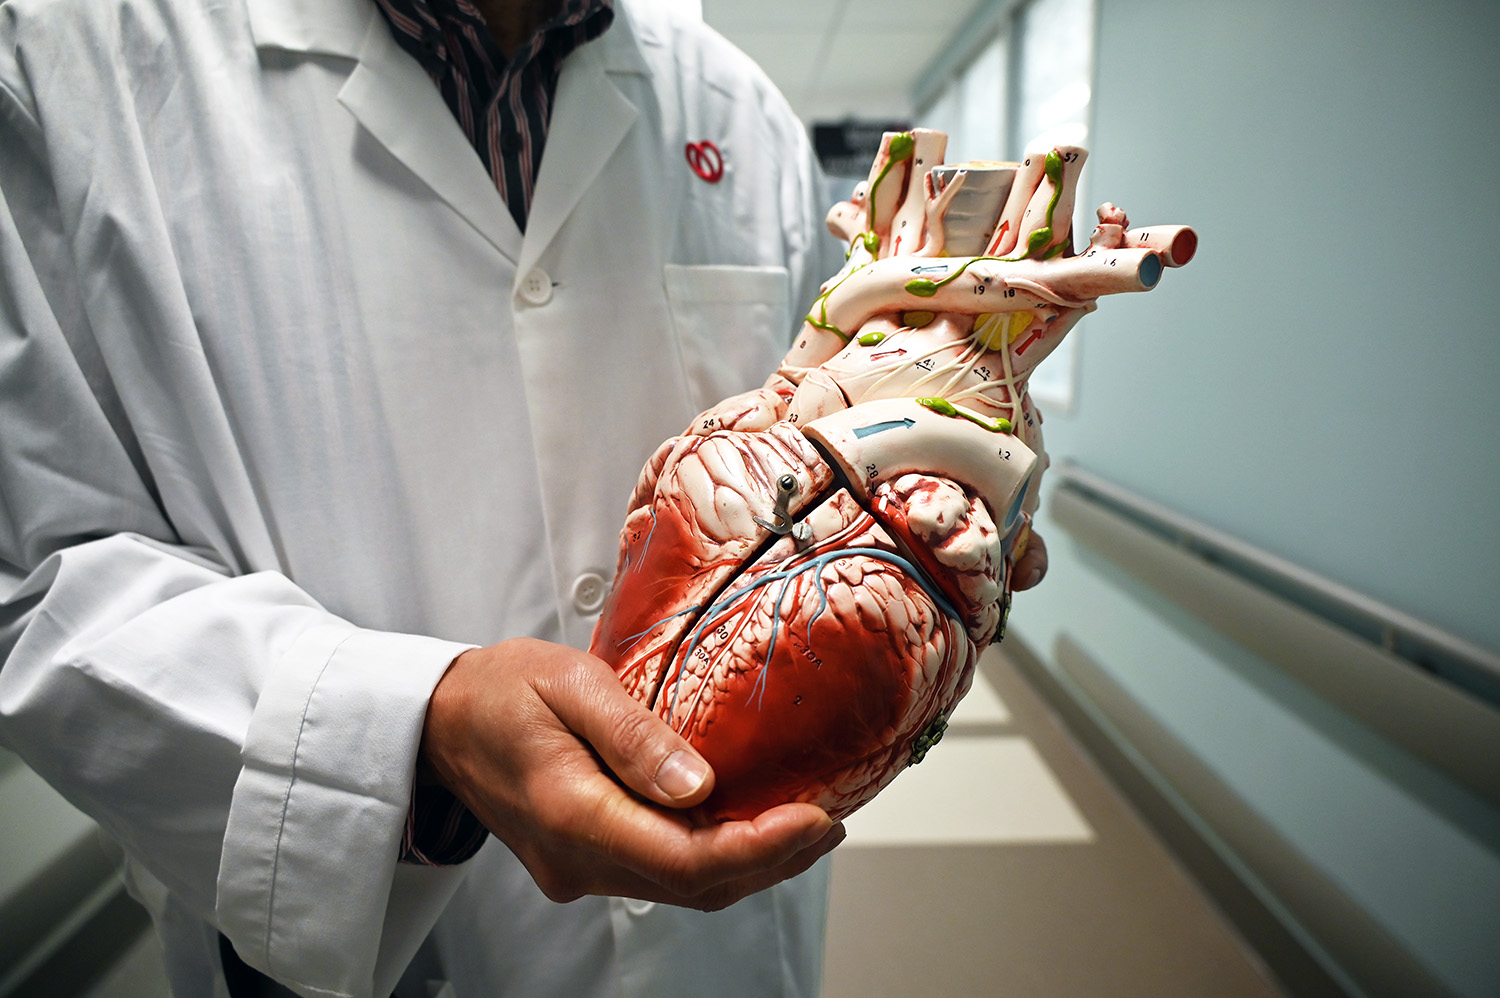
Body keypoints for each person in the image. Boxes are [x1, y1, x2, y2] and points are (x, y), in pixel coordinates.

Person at [0, 0, 1049, 993]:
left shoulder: (742, 114)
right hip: (400, 940)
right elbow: (41, 576)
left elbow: (826, 447)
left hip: (723, 944)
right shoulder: (66, 61)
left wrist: (946, 505)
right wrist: (411, 731)